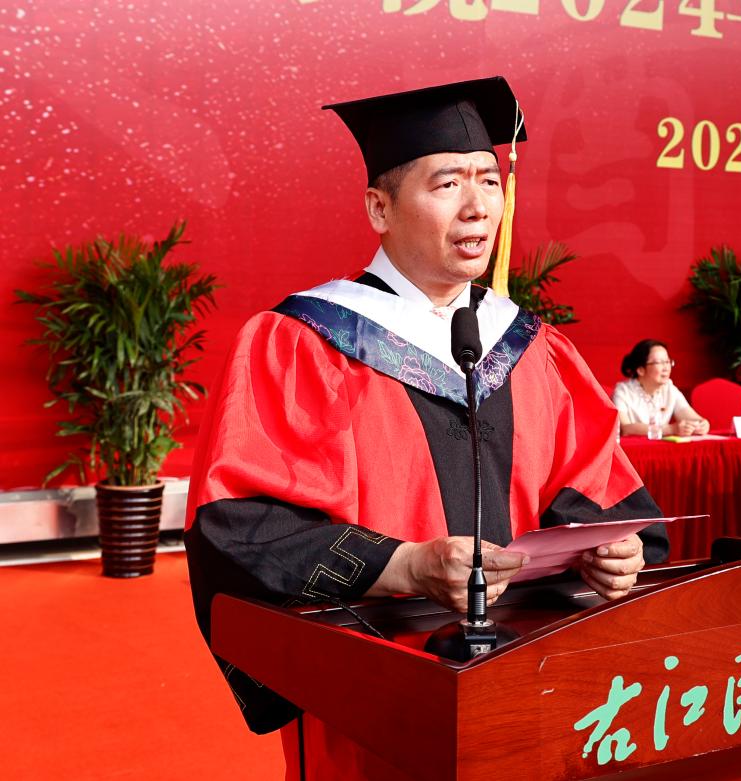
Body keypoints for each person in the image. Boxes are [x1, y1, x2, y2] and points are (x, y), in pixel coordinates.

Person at [183, 77, 668, 780]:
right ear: (379, 208)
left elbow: (597, 490)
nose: (479, 206)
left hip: (531, 684)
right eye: (448, 183)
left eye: (490, 181)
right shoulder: (304, 341)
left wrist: (611, 551)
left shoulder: (530, 347)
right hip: (377, 694)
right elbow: (242, 528)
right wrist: (406, 565)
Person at [612, 339, 709, 436]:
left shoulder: (669, 389)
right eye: (659, 362)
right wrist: (670, 429)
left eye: (667, 361)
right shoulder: (622, 392)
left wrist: (702, 424)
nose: (666, 368)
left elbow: (690, 416)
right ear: (641, 370)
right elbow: (626, 428)